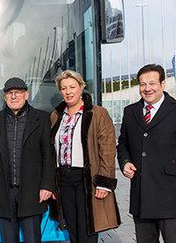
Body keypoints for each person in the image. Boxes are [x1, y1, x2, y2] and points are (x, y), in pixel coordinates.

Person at [117, 64, 176, 243]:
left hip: (170, 195)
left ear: (163, 84)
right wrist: (125, 162)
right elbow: (123, 143)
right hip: (141, 195)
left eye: (152, 83)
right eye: (142, 84)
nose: (147, 89)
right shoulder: (130, 112)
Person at [0, 77, 55, 243]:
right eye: (10, 93)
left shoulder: (41, 119)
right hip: (4, 192)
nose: (14, 96)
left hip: (32, 191)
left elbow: (48, 155)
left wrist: (47, 185)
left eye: (18, 93)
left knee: (32, 239)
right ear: (5, 96)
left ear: (26, 95)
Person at [48, 70, 120, 243]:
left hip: (87, 178)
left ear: (81, 87)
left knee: (88, 228)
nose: (68, 91)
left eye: (72, 87)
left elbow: (108, 150)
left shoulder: (97, 113)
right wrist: (53, 184)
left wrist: (104, 182)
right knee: (72, 228)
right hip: (64, 178)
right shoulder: (56, 116)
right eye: (64, 88)